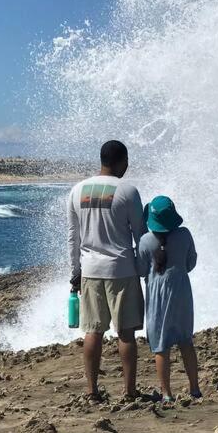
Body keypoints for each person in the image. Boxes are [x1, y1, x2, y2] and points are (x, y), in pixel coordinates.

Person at [67, 140, 147, 401]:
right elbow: (141, 236)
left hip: (90, 270)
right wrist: (145, 269)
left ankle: (92, 391)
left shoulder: (77, 190)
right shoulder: (128, 191)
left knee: (93, 331)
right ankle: (129, 392)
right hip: (121, 269)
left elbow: (73, 238)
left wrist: (75, 273)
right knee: (126, 333)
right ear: (122, 161)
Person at [137, 195, 201, 402]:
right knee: (185, 341)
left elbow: (140, 270)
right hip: (182, 291)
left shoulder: (145, 241)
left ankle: (166, 394)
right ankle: (195, 389)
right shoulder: (184, 235)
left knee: (160, 346)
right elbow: (191, 262)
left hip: (157, 295)